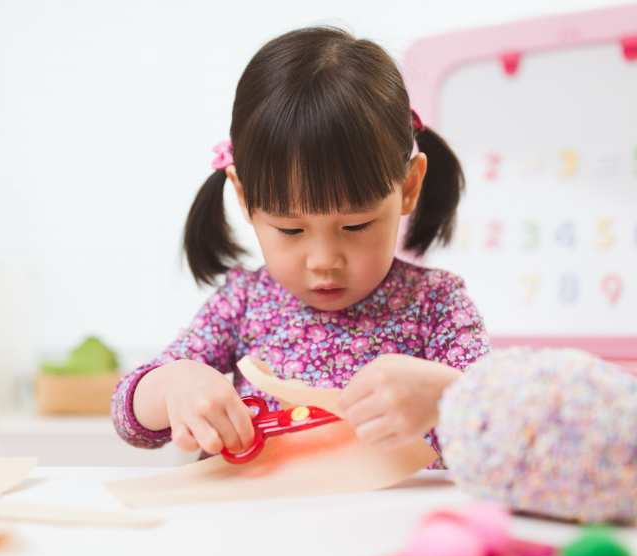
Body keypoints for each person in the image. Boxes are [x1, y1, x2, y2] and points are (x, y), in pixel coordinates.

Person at [112, 27, 489, 466]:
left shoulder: (436, 306)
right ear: (243, 197)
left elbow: (505, 429)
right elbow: (129, 415)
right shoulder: (244, 302)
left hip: (398, 531)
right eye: (291, 230)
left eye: (356, 225)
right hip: (261, 529)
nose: (323, 261)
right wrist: (173, 386)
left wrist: (446, 398)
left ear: (409, 187)